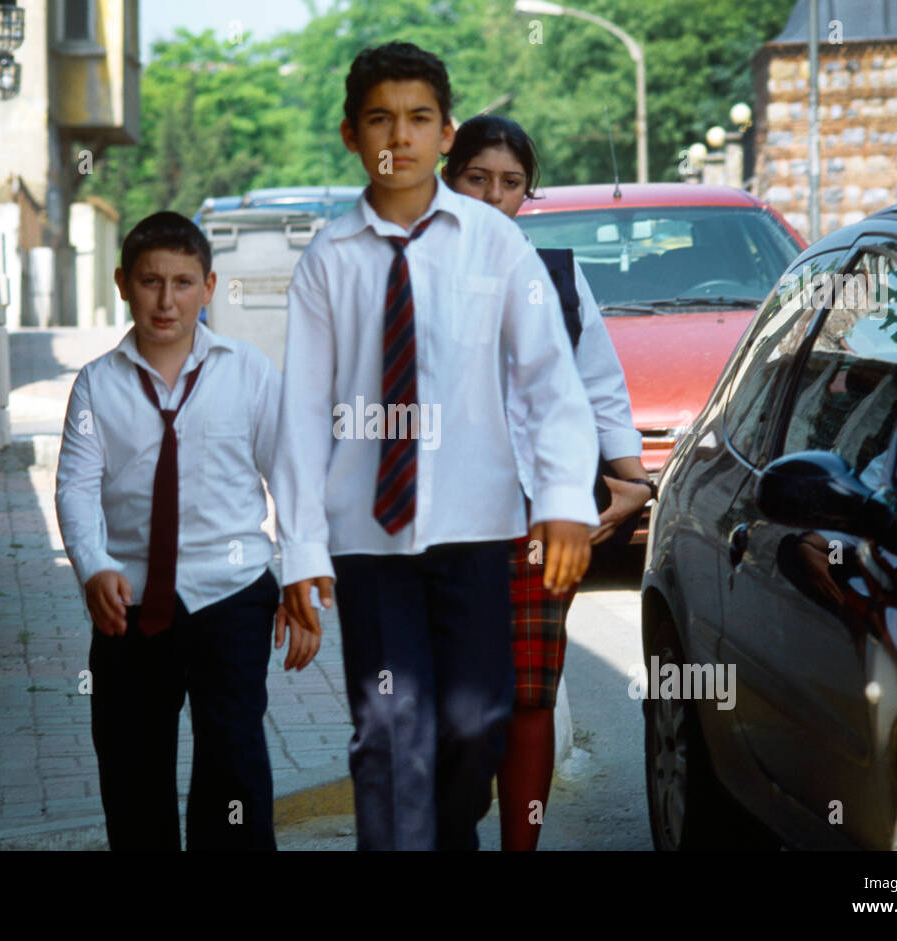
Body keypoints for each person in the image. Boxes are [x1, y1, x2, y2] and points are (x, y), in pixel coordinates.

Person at [269, 41, 599, 851]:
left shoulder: (495, 244)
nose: (400, 136)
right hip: (368, 540)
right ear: (351, 135)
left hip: (477, 528)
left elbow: (548, 378)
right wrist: (301, 546)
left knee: (475, 725)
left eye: (419, 118)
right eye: (380, 119)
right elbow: (305, 411)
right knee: (388, 730)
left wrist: (562, 501)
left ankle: (447, 837)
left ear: (446, 133)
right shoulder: (328, 260)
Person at [54, 211, 320, 851]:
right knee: (133, 769)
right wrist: (93, 567)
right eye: (150, 281)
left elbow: (293, 474)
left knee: (233, 768)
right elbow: (76, 487)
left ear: (209, 286)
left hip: (230, 598)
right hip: (129, 605)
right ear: (123, 283)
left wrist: (303, 576)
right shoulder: (96, 385)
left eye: (183, 282)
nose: (166, 300)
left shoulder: (247, 371)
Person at [444, 114, 653, 851]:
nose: (494, 195)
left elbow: (600, 384)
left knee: (531, 695)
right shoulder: (413, 269)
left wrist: (631, 481)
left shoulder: (559, 278)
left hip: (540, 518)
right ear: (449, 177)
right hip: (444, 524)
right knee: (458, 700)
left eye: (511, 183)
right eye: (478, 178)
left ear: (527, 193)